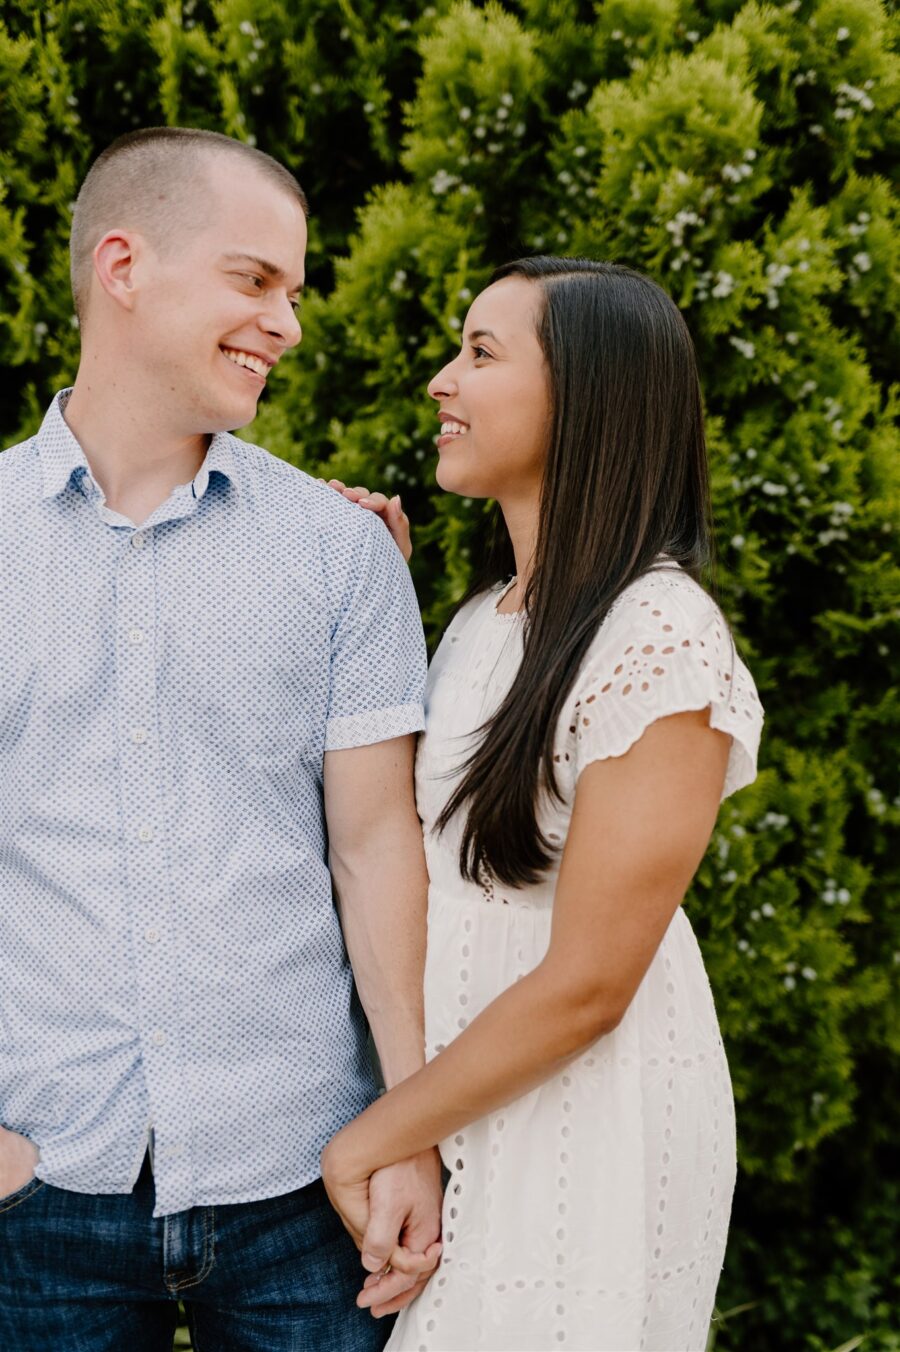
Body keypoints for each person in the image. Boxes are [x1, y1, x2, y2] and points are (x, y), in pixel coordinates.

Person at [0, 126, 442, 1351]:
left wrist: (410, 1127)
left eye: (294, 293)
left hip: (307, 1190)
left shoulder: (340, 553)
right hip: (35, 1194)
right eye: (256, 281)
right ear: (124, 267)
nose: (288, 323)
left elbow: (375, 854)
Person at [322, 257, 765, 1351]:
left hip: (590, 1120)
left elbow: (589, 985)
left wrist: (365, 1140)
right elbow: (430, 841)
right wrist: (366, 600)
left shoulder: (659, 633)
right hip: (471, 1107)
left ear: (589, 395)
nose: (440, 380)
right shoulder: (484, 618)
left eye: (481, 352)